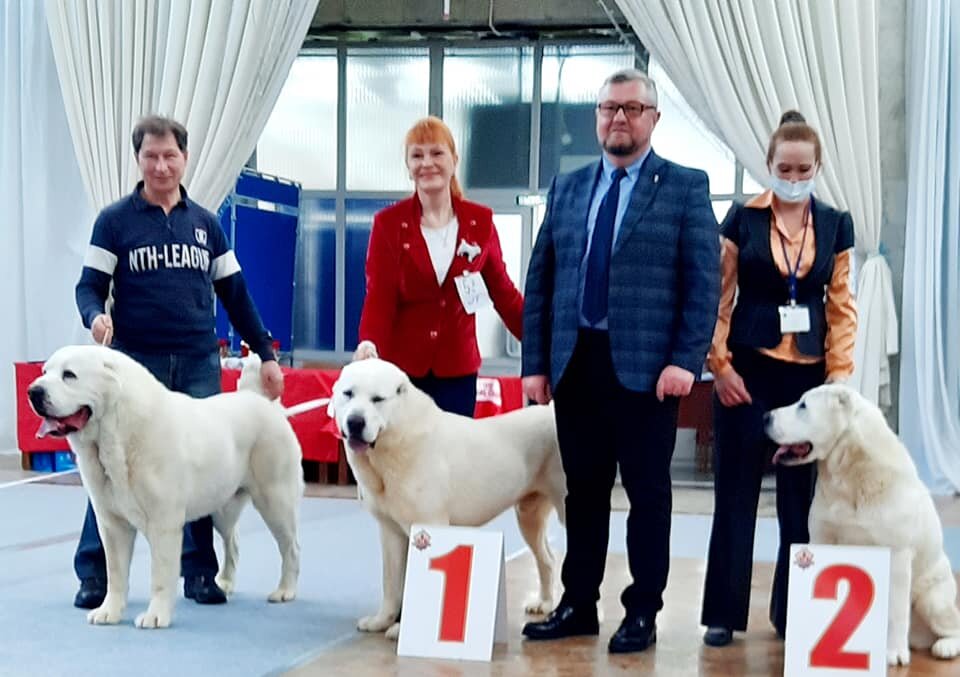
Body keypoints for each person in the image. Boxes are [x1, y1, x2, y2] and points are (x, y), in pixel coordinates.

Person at [520, 69, 720, 653]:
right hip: (575, 365)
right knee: (581, 493)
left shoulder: (684, 186)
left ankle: (643, 611)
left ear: (653, 119)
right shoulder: (569, 186)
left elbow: (702, 284)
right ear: (597, 116)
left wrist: (687, 359)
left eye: (633, 108)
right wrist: (535, 363)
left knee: (647, 495)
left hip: (649, 372)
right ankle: (579, 603)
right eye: (609, 108)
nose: (619, 118)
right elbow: (543, 280)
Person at [72, 115, 284, 609]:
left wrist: (267, 354)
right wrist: (94, 319)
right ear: (138, 160)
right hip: (131, 369)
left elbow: (236, 295)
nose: (161, 165)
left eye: (170, 156)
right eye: (151, 156)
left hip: (195, 362)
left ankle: (199, 572)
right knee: (107, 469)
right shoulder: (114, 221)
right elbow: (88, 286)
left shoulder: (206, 224)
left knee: (198, 468)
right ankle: (94, 574)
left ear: (185, 159)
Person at [699, 111, 857, 646]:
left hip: (809, 381)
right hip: (747, 370)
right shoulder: (741, 220)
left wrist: (838, 382)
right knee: (735, 493)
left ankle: (795, 611)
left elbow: (841, 309)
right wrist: (719, 366)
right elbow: (718, 300)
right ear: (768, 165)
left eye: (803, 167)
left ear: (817, 167)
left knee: (800, 502)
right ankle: (723, 612)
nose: (793, 176)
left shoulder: (836, 224)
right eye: (784, 167)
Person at [354, 116, 523, 416]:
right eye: (417, 155)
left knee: (453, 461)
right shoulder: (388, 224)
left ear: (454, 159)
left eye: (436, 153)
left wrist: (542, 342)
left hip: (458, 371)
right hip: (402, 372)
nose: (427, 163)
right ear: (408, 167)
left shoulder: (480, 221)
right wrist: (369, 344)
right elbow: (380, 295)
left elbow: (503, 293)